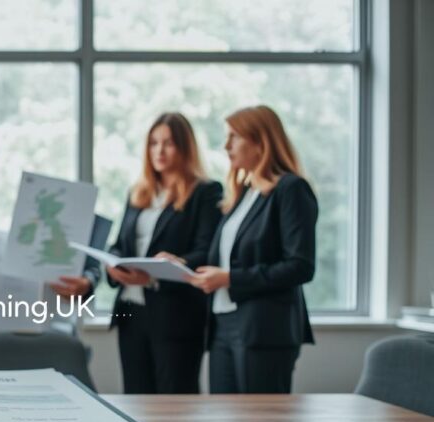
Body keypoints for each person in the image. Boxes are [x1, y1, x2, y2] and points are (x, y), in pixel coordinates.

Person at [189, 105, 318, 394]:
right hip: (223, 324)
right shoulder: (244, 195)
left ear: (261, 142)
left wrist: (231, 278)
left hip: (264, 329)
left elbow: (300, 265)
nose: (226, 146)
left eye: (234, 137)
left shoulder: (291, 189)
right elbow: (222, 259)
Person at [93, 113, 222, 394]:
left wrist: (162, 272)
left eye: (168, 143)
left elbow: (207, 251)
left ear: (185, 148)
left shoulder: (205, 192)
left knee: (175, 405)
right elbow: (121, 244)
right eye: (153, 143)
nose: (159, 151)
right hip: (131, 312)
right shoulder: (138, 192)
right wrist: (113, 267)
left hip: (176, 315)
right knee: (135, 400)